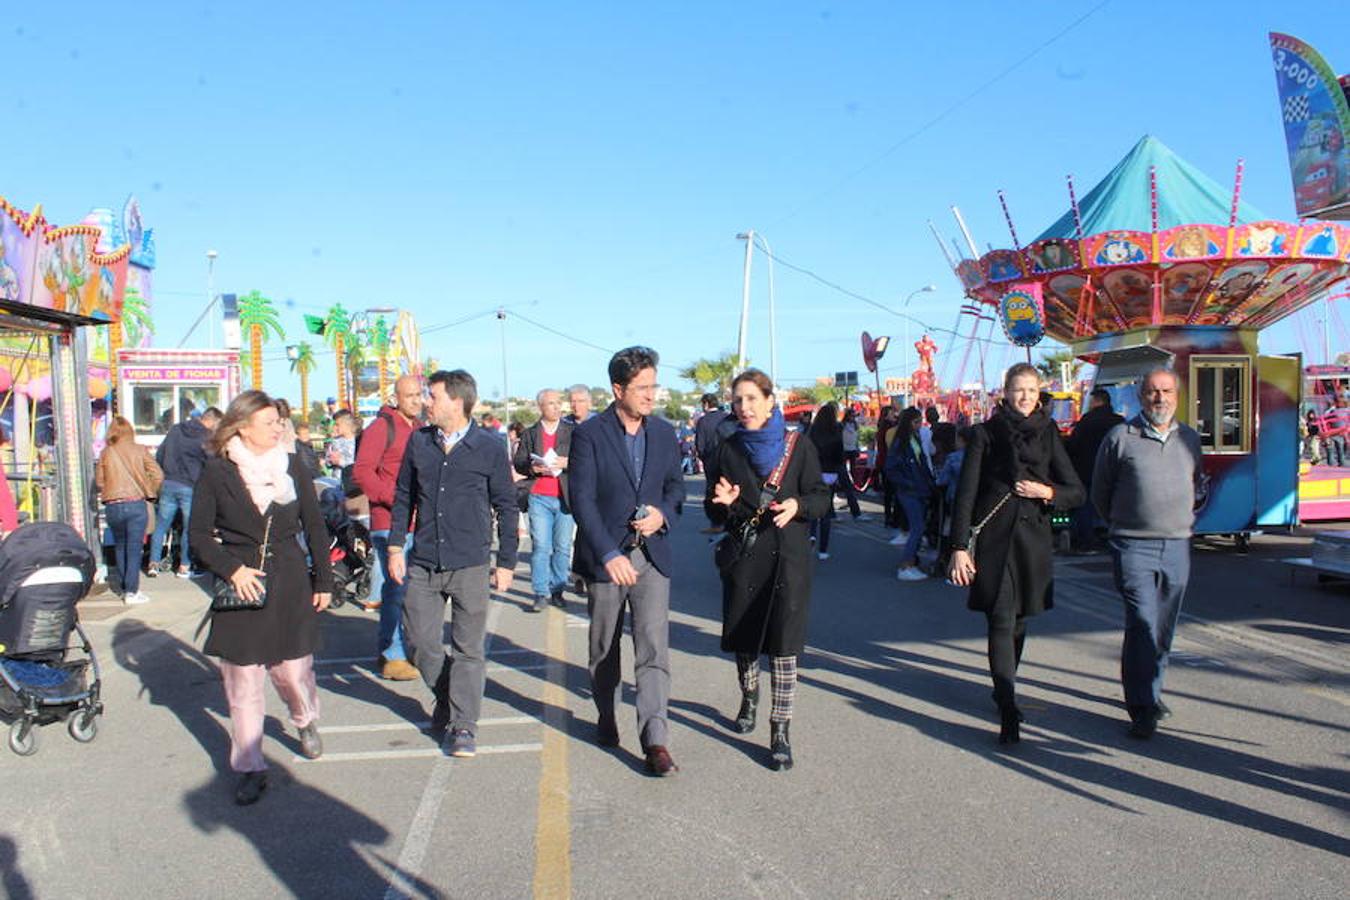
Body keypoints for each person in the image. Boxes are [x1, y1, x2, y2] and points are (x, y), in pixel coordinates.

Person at [187, 390, 334, 805]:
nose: (278, 428)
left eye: (279, 422)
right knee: (243, 681)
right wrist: (231, 569)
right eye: (270, 422)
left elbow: (315, 526)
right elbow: (197, 535)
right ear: (243, 426)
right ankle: (250, 766)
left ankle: (304, 720)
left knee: (291, 671)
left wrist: (324, 580)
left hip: (288, 578)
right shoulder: (217, 472)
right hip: (241, 583)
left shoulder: (292, 465)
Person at [948, 364, 1084, 743]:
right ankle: (1008, 708)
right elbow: (966, 495)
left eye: (1030, 390)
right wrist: (959, 548)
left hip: (1034, 543)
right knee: (1001, 619)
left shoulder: (1049, 433)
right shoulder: (985, 434)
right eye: (1017, 389)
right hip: (994, 542)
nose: (1024, 397)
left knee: (1021, 621)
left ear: (1039, 394)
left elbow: (1077, 490)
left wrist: (1049, 493)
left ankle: (1003, 684)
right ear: (1004, 393)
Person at [387, 370, 519, 759]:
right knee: (420, 642)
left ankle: (464, 724)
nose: (426, 402)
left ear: (457, 402)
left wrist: (506, 561)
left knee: (468, 649)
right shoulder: (420, 442)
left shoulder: (490, 446)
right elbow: (403, 497)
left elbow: (506, 506)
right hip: (425, 561)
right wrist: (396, 546)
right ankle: (449, 695)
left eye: (433, 396)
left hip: (470, 563)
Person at [569, 346, 684, 776]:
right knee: (604, 649)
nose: (651, 395)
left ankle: (656, 740)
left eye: (654, 385)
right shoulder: (590, 434)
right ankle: (605, 714)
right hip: (607, 559)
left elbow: (675, 488)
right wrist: (608, 552)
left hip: (652, 557)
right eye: (642, 388)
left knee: (653, 649)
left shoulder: (665, 433)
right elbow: (580, 498)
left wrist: (663, 515)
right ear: (618, 389)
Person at [706, 369, 829, 770]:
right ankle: (749, 695)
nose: (744, 408)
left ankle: (780, 730)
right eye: (738, 401)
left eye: (752, 399)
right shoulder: (727, 450)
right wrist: (721, 503)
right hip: (747, 554)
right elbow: (713, 508)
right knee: (745, 638)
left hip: (790, 558)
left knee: (784, 645)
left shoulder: (799, 445)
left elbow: (821, 496)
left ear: (770, 401)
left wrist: (799, 507)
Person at [1092, 367, 1203, 739]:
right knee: (1141, 623)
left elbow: (1196, 484)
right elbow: (1100, 492)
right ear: (1141, 397)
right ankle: (1140, 707)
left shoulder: (1190, 438)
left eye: (1167, 391)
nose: (1160, 398)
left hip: (1177, 545)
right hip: (1132, 545)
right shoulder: (1120, 437)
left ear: (1176, 395)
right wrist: (1121, 525)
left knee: (1164, 628)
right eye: (1153, 392)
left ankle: (1152, 693)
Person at [351, 374, 425, 681]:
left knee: (410, 589)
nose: (416, 400)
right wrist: (394, 498)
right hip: (388, 522)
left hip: (418, 522)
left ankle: (399, 648)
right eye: (409, 395)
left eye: (419, 394)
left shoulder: (420, 428)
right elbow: (362, 471)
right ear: (395, 397)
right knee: (396, 588)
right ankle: (393, 654)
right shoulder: (382, 427)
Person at [513, 388, 575, 612]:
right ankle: (540, 592)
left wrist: (568, 462)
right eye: (551, 403)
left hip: (564, 497)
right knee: (541, 546)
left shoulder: (572, 431)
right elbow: (519, 461)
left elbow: (584, 459)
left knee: (562, 547)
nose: (557, 407)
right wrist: (533, 467)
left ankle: (558, 589)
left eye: (559, 403)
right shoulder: (530, 434)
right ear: (541, 407)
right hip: (539, 496)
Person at [96, 416, 165, 604]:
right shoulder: (140, 450)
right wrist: (148, 490)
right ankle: (132, 591)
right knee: (134, 548)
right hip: (135, 503)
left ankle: (124, 587)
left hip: (113, 505)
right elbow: (158, 474)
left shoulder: (106, 453)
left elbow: (99, 482)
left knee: (120, 546)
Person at [148, 407, 221, 578]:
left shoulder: (175, 429)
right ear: (212, 421)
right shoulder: (206, 438)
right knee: (189, 528)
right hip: (190, 486)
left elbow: (160, 454)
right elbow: (211, 464)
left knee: (161, 526)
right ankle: (184, 566)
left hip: (168, 483)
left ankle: (153, 564)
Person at [1064, 388, 1124, 553]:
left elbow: (1074, 444)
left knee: (1085, 507)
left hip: (1087, 469)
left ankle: (1086, 539)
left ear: (1097, 401)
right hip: (1114, 470)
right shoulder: (1118, 422)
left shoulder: (1087, 420)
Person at [886, 407, 937, 580]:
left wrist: (929, 483)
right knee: (917, 527)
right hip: (910, 491)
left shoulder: (913, 438)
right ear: (909, 422)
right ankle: (905, 565)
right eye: (917, 421)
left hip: (920, 489)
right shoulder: (900, 442)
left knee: (919, 527)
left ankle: (911, 562)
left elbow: (922, 463)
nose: (920, 424)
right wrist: (909, 484)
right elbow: (891, 469)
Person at [806, 402, 846, 561]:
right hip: (830, 472)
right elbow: (839, 454)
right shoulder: (836, 430)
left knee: (812, 507)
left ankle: (811, 535)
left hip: (814, 471)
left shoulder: (813, 431)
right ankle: (823, 550)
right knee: (826, 511)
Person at [325, 410, 358, 474]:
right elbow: (327, 462)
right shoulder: (335, 441)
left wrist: (340, 462)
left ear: (346, 424)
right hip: (336, 480)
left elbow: (360, 464)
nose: (334, 427)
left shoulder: (357, 441)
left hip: (350, 481)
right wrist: (331, 460)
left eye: (337, 425)